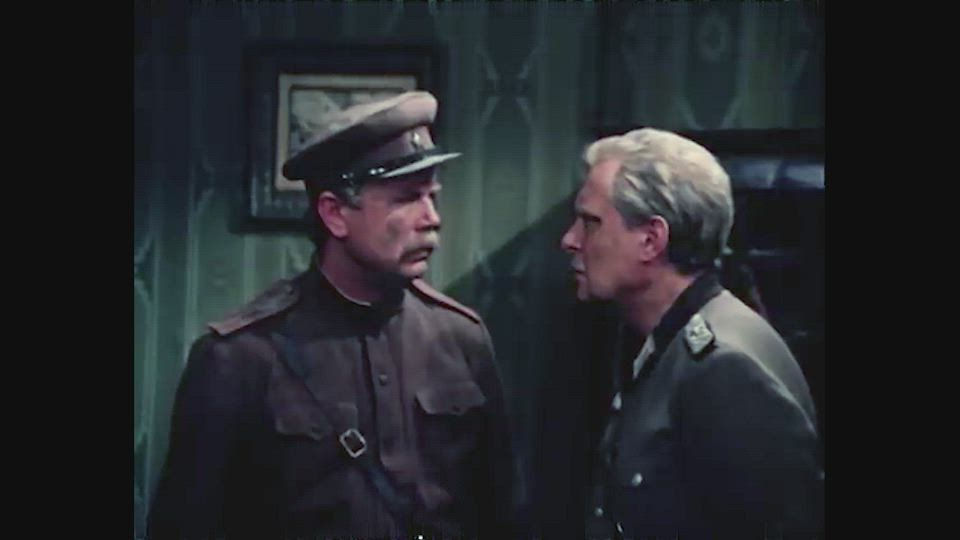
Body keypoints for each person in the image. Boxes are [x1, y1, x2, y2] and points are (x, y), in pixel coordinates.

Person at [148, 91, 516, 539]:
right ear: (335, 214)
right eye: (406, 199)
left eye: (432, 196)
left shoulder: (462, 339)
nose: (431, 218)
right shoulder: (241, 357)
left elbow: (501, 516)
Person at [560, 128, 822, 539]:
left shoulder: (723, 369)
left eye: (591, 223)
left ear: (651, 240)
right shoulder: (667, 345)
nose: (570, 240)